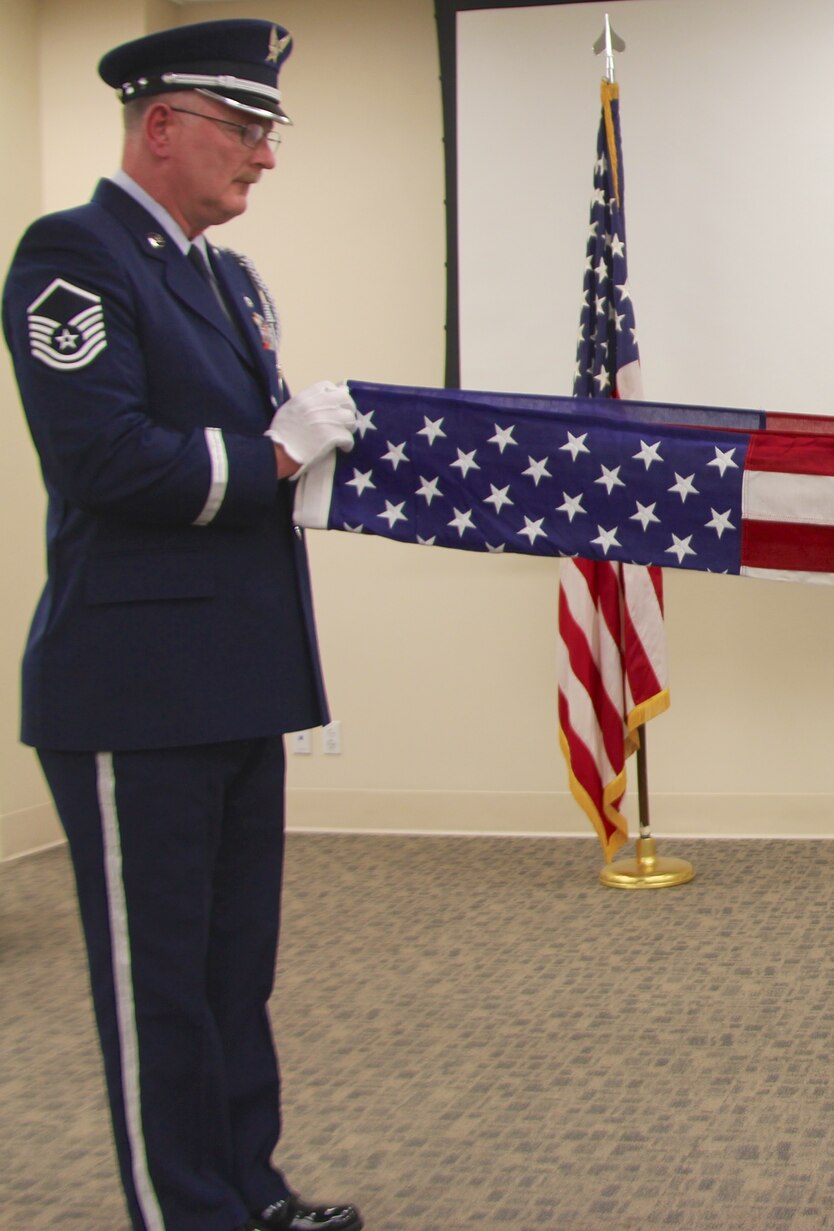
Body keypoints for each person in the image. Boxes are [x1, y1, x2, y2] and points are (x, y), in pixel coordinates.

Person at [4, 20, 362, 1231]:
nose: (263, 157)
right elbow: (104, 458)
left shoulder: (228, 276)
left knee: (229, 972)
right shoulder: (73, 256)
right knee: (157, 981)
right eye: (245, 129)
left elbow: (257, 461)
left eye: (267, 131)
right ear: (163, 126)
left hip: (234, 674)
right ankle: (186, 1214)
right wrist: (270, 453)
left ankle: (245, 1190)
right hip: (132, 687)